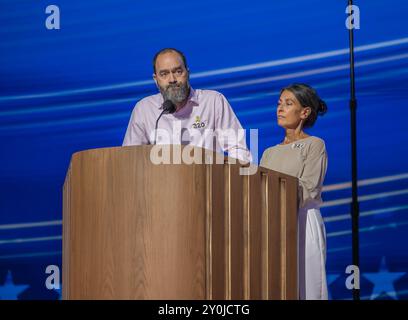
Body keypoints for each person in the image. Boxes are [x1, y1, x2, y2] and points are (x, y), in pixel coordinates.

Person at [260, 83, 328, 300]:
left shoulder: (314, 145)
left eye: (288, 104)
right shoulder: (269, 152)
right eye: (279, 103)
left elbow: (308, 187)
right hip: (273, 223)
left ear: (304, 112)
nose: (280, 108)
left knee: (307, 287)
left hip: (302, 220)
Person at [122, 48, 251, 163]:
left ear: (187, 73)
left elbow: (238, 150)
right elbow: (129, 159)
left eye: (177, 71)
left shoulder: (213, 102)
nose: (172, 79)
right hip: (160, 187)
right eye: (164, 74)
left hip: (209, 185)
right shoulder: (144, 109)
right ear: (156, 80)